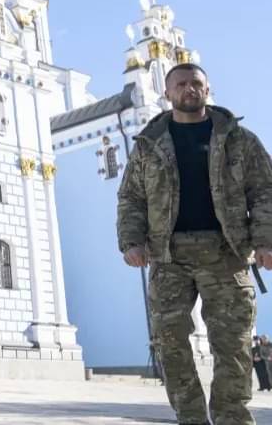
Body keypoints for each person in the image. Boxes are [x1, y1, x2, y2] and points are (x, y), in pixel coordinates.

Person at [117, 63, 272, 425]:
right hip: (168, 258)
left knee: (233, 346)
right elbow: (130, 198)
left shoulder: (239, 139)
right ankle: (191, 419)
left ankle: (232, 418)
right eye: (181, 84)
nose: (189, 89)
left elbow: (264, 191)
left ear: (207, 89)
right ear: (168, 93)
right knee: (170, 345)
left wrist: (265, 241)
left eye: (196, 84)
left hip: (226, 254)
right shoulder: (148, 145)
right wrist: (130, 241)